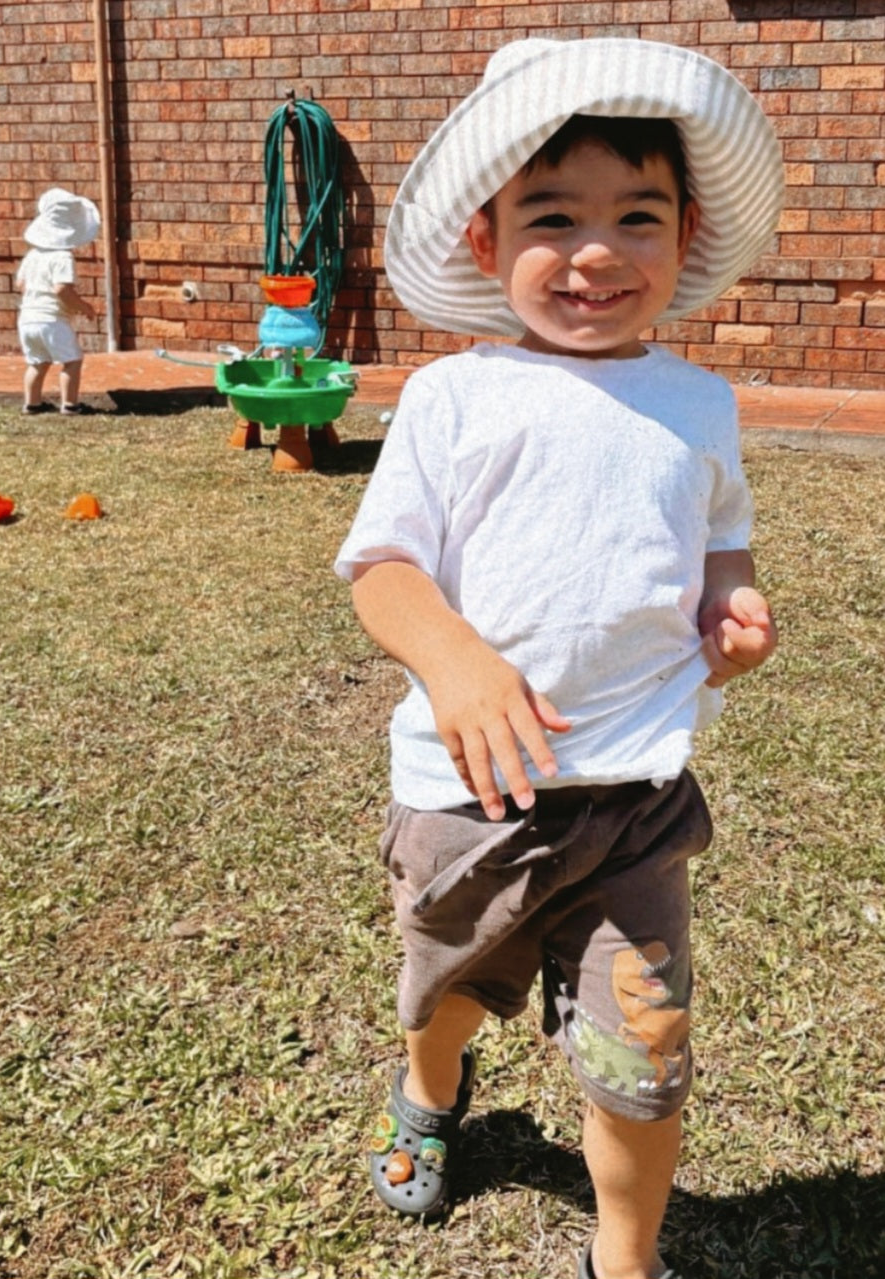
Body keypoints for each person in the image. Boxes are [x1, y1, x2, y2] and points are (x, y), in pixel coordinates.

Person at [334, 37, 784, 1279]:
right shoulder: (453, 395)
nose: (594, 251)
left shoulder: (696, 403)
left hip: (633, 802)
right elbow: (383, 569)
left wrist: (729, 607)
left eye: (634, 216)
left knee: (646, 1059)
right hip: (469, 801)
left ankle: (621, 1261)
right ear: (483, 242)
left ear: (683, 240)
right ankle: (429, 1093)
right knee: (451, 993)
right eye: (550, 216)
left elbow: (720, 544)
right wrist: (458, 663)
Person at [16, 188, 100, 415]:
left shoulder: (32, 256)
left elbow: (21, 285)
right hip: (52, 320)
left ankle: (32, 404)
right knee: (72, 361)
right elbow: (62, 289)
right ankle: (71, 405)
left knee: (37, 363)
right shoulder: (62, 257)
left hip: (27, 319)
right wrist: (83, 307)